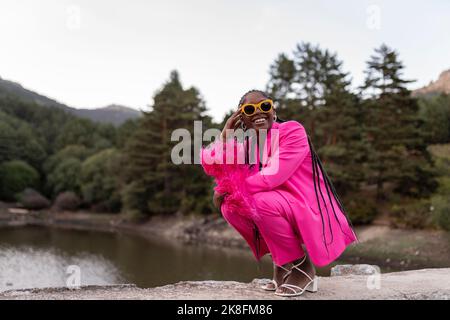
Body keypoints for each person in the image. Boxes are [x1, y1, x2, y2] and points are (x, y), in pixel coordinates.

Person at [205, 89, 358, 297]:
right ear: (243, 119)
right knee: (230, 207)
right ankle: (284, 263)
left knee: (256, 201)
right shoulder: (249, 145)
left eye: (264, 106)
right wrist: (225, 136)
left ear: (273, 110)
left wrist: (230, 190)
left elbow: (272, 176)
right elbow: (220, 168)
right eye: (250, 110)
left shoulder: (292, 131)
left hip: (307, 208)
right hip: (278, 208)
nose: (259, 112)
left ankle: (303, 268)